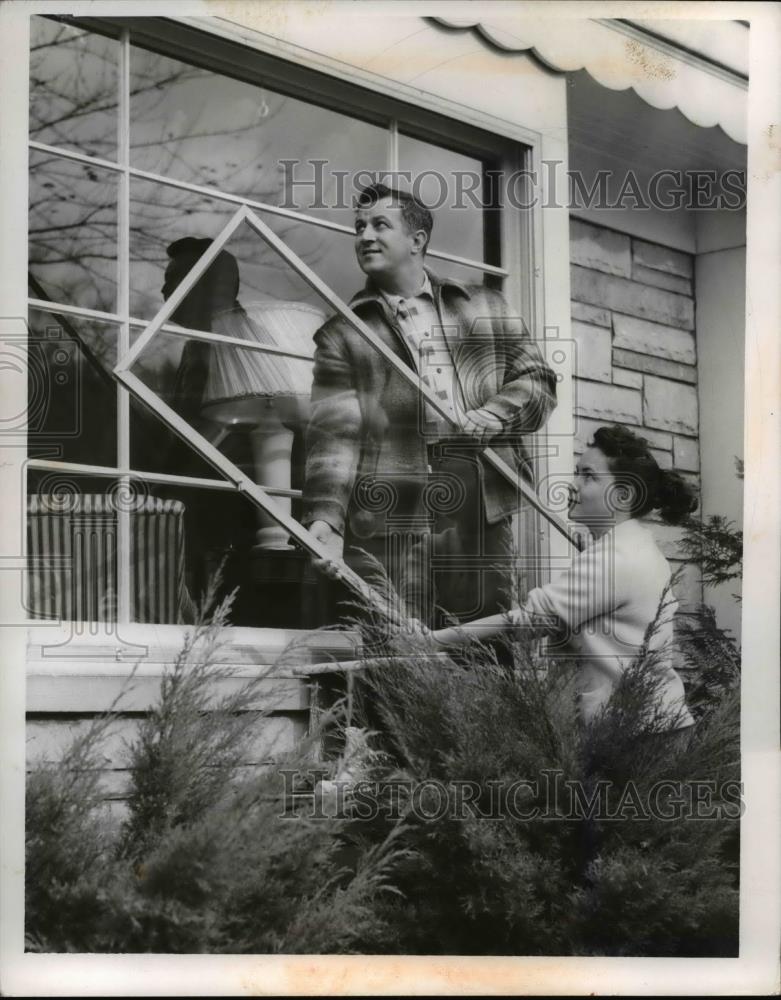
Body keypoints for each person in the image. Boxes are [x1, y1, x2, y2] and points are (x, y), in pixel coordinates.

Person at [302, 183, 557, 626]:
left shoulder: (486, 306)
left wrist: (493, 415)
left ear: (417, 241)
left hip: (480, 490)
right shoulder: (343, 332)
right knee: (400, 648)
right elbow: (334, 434)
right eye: (359, 227)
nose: (364, 236)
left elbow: (539, 382)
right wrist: (326, 518)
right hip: (395, 503)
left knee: (483, 642)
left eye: (380, 224)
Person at [430, 424, 698, 737]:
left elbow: (530, 621)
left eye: (588, 476)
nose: (572, 485)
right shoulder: (637, 546)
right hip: (656, 722)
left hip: (639, 733)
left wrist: (434, 639)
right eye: (576, 472)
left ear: (623, 496)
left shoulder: (616, 558)